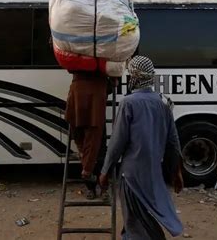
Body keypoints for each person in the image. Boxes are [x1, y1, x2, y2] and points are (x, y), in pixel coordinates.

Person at [99, 56, 184, 239]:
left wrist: (105, 171)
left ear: (134, 77)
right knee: (144, 222)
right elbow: (173, 143)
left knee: (134, 226)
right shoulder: (164, 102)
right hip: (153, 175)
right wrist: (176, 172)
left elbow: (117, 143)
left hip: (131, 176)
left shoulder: (128, 103)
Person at [65, 71, 110, 199]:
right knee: (98, 149)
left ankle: (97, 187)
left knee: (88, 148)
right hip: (95, 104)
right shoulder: (100, 64)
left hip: (80, 99)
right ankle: (99, 187)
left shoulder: (78, 65)